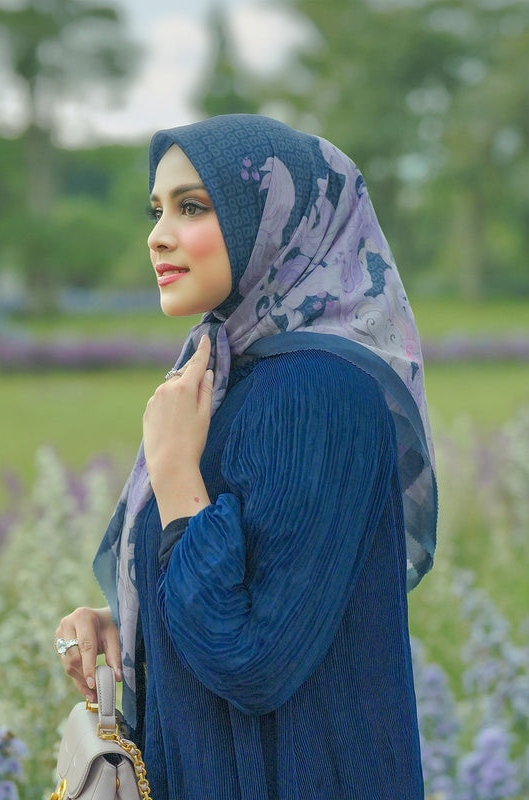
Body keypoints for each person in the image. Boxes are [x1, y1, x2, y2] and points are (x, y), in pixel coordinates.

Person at [55, 114, 437, 799]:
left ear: (279, 223)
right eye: (156, 210)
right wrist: (129, 628)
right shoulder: (227, 376)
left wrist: (175, 474)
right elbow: (244, 585)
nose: (157, 235)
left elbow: (253, 660)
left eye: (192, 207)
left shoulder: (321, 393)